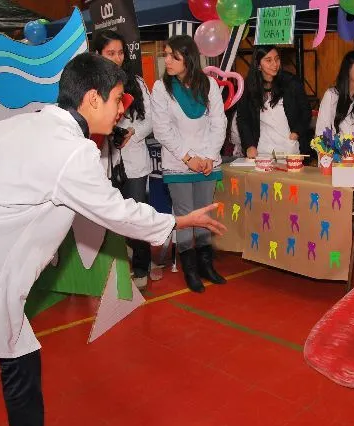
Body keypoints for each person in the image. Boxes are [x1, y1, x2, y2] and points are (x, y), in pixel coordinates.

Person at [0, 52, 225, 426]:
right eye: (118, 99)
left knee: (19, 355)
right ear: (92, 98)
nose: (123, 109)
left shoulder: (20, 124)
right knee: (17, 356)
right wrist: (178, 221)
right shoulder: (73, 152)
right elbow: (118, 213)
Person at [151, 35, 227, 293]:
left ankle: (207, 265)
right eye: (166, 55)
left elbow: (219, 123)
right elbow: (162, 129)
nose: (167, 61)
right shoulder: (161, 88)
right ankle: (191, 270)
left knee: (205, 213)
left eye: (174, 56)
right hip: (178, 162)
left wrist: (207, 156)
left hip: (207, 162)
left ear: (189, 59)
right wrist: (188, 158)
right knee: (184, 217)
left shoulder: (209, 85)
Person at [92, 29, 154, 290]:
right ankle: (115, 267)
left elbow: (151, 119)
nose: (116, 59)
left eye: (119, 53)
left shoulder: (136, 83)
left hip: (135, 163)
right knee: (111, 219)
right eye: (110, 53)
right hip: (104, 165)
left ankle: (142, 266)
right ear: (97, 55)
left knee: (138, 215)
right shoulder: (90, 88)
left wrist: (133, 133)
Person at [237, 45, 311, 158]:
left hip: (290, 148)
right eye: (268, 60)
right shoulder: (248, 86)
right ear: (258, 65)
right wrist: (249, 145)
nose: (275, 64)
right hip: (262, 150)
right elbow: (243, 118)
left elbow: (306, 111)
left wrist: (296, 133)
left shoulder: (292, 83)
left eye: (277, 59)